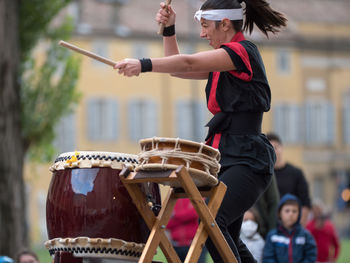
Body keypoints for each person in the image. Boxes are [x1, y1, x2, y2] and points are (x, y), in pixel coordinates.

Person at [114, 0, 287, 261]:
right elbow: (177, 67)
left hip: (248, 158)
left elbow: (187, 64)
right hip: (224, 155)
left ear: (225, 24)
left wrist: (143, 64)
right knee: (220, 231)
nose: (202, 33)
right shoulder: (224, 59)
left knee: (213, 224)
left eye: (206, 26)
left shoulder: (242, 52)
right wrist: (169, 30)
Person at [266, 132, 312, 226]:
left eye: (276, 147)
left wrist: (299, 228)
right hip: (269, 227)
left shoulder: (296, 173)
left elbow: (305, 203)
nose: (273, 151)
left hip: (292, 226)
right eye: (269, 148)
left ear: (282, 148)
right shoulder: (262, 175)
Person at [263, 194, 317, 263]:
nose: (291, 214)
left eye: (294, 211)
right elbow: (268, 258)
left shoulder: (306, 236)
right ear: (279, 213)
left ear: (299, 214)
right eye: (287, 211)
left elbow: (311, 256)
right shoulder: (272, 236)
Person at [166, 198, 207, 263]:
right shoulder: (174, 199)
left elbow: (195, 213)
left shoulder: (198, 196)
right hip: (176, 246)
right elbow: (166, 223)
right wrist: (185, 217)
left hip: (195, 244)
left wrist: (175, 216)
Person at [253, 175, 280, 239]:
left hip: (261, 230)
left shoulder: (265, 167)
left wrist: (271, 234)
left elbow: (273, 203)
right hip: (235, 230)